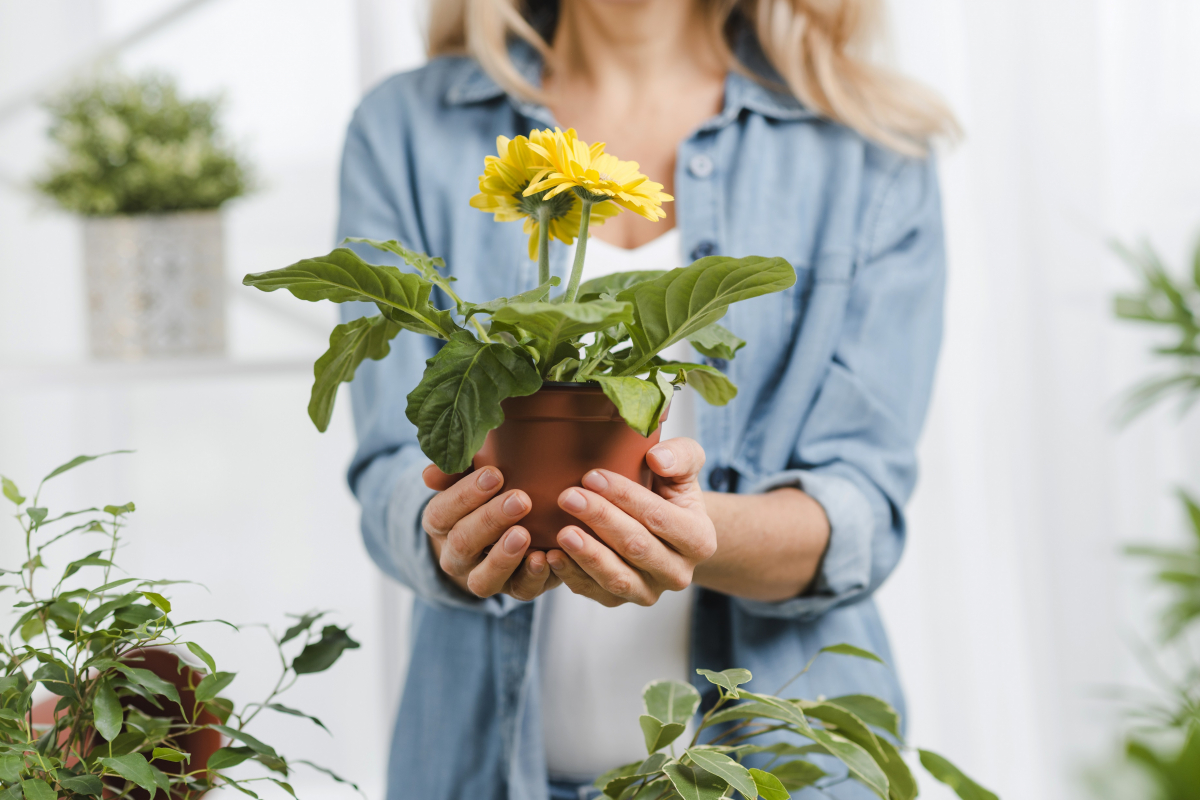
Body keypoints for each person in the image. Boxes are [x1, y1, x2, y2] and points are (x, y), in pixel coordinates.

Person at [336, 1, 956, 798]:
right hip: (481, 771)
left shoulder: (872, 145)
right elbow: (394, 460)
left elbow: (860, 510)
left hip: (785, 774)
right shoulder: (407, 128)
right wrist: (452, 540)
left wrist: (694, 534)